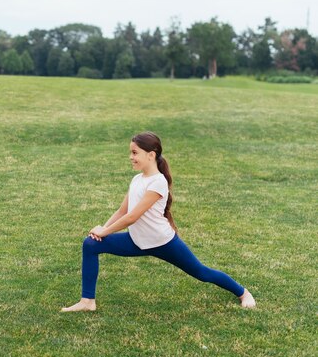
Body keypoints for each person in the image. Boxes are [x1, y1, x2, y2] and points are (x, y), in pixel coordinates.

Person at [62, 131, 256, 312]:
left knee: (201, 272)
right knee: (90, 244)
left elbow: (132, 217)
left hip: (162, 242)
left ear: (151, 155)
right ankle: (88, 301)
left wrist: (104, 232)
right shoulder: (137, 179)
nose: (131, 157)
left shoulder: (158, 182)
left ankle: (243, 292)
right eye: (130, 152)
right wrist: (102, 230)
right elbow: (122, 211)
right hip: (137, 241)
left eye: (135, 152)